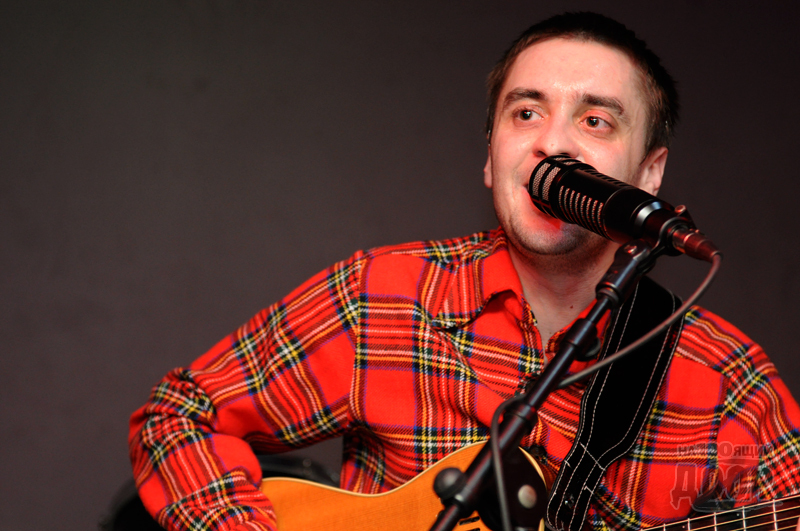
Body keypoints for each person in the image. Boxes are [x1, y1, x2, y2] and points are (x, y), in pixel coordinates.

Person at [129, 12, 800, 531]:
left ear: (649, 174)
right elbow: (177, 416)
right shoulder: (385, 297)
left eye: (596, 120)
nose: (553, 143)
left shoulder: (728, 382)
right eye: (526, 113)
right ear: (491, 157)